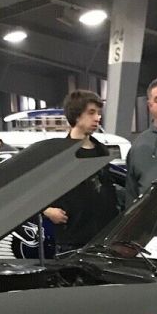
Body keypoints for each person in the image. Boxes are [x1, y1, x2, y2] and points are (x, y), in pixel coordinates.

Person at [42, 90, 121, 252]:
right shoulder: (59, 154)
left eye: (99, 113)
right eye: (91, 113)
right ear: (76, 115)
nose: (97, 118)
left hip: (104, 238)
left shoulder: (102, 150)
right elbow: (33, 190)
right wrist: (48, 211)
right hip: (72, 240)